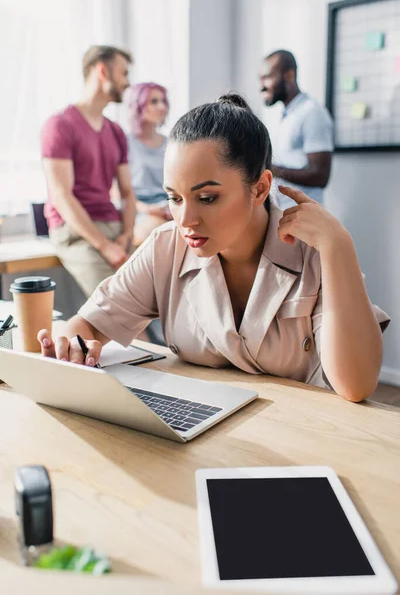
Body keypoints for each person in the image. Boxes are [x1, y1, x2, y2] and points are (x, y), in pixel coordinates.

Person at [38, 94, 389, 403]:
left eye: (207, 198)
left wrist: (339, 246)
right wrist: (71, 342)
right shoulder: (167, 245)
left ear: (260, 188)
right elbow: (86, 325)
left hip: (306, 445)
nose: (186, 219)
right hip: (201, 436)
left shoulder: (316, 254)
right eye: (174, 198)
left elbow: (356, 386)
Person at [41, 45, 137, 297]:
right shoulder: (59, 126)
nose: (127, 83)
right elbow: (62, 196)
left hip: (114, 228)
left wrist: (126, 235)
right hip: (76, 232)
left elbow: (127, 192)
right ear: (103, 71)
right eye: (123, 73)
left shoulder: (116, 131)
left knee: (153, 300)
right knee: (117, 308)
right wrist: (104, 246)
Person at [259, 50, 333, 209]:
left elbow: (321, 175)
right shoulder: (286, 116)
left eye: (268, 77)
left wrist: (268, 168)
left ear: (289, 76)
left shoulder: (312, 113)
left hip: (306, 219)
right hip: (284, 215)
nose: (261, 87)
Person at [126, 82, 172, 246]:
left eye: (163, 101)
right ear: (137, 105)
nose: (161, 106)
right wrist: (146, 209)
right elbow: (116, 192)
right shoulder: (125, 143)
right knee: (154, 235)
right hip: (139, 209)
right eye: (153, 101)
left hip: (169, 207)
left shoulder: (172, 143)